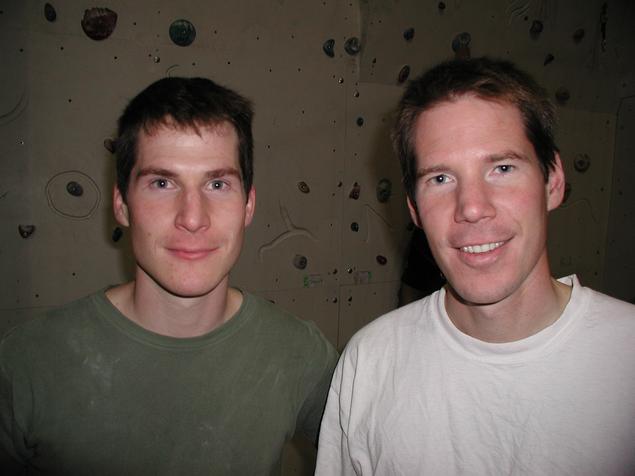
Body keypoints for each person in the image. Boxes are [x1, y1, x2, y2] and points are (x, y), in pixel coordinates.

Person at [0, 77, 338, 475]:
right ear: (122, 205)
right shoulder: (26, 365)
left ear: (248, 206)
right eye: (162, 183)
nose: (192, 218)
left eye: (217, 183)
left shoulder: (300, 355)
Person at [316, 57, 635, 475]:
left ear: (553, 181)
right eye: (440, 179)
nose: (471, 207)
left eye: (502, 168)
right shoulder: (370, 361)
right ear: (414, 208)